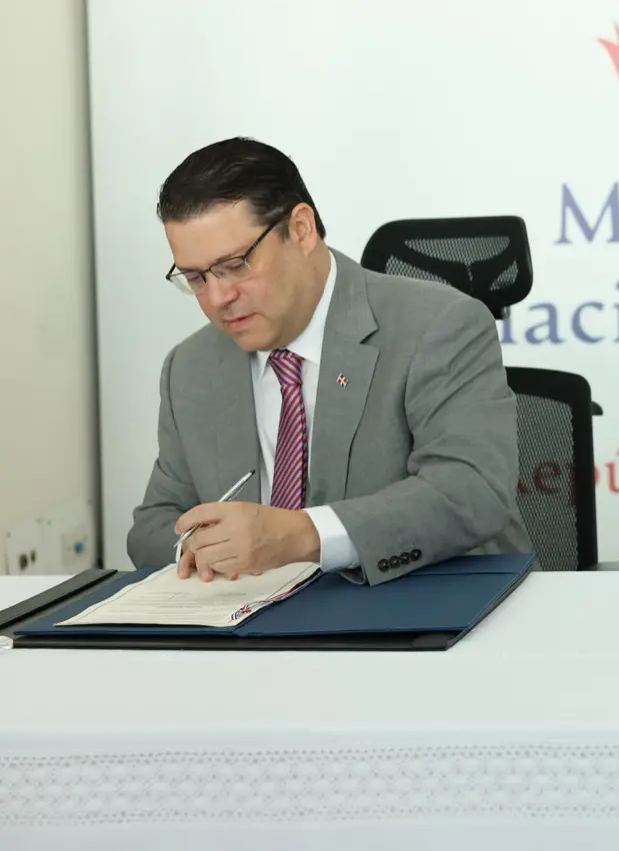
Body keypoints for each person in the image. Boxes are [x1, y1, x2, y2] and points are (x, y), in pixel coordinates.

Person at [127, 137, 531, 584]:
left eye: (236, 265)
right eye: (196, 277)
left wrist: (302, 536)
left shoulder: (440, 325)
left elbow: (470, 491)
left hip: (425, 617)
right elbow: (152, 527)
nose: (219, 297)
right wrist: (203, 547)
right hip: (255, 633)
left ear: (301, 229)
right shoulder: (190, 367)